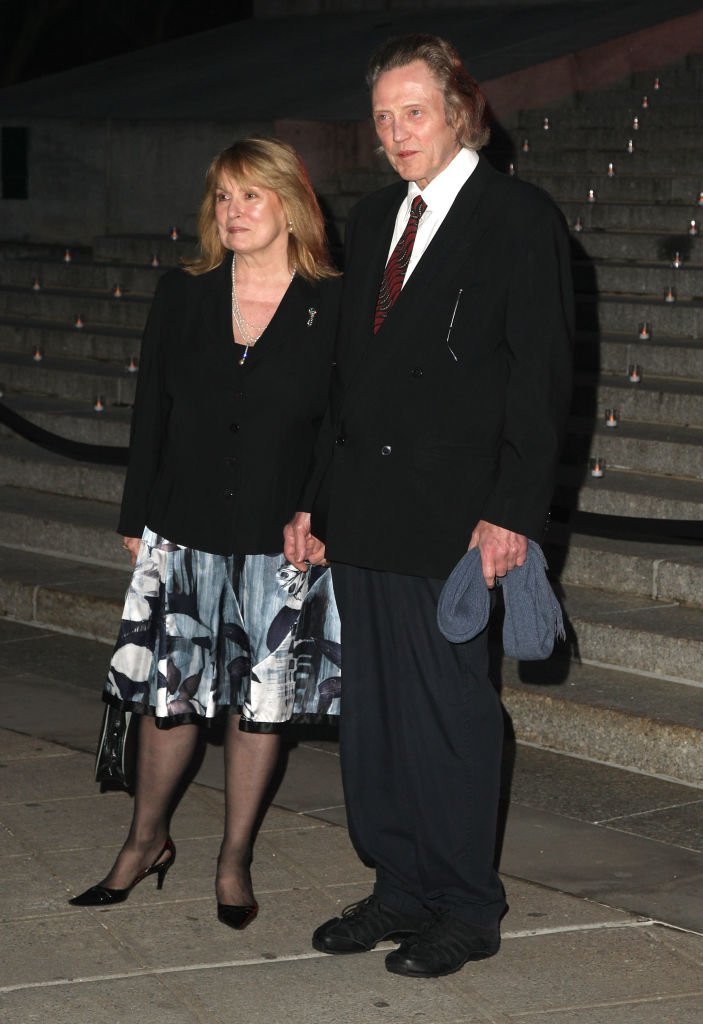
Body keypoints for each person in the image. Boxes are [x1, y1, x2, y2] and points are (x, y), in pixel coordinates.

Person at [285, 34, 573, 977]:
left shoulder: (518, 219)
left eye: (413, 111)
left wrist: (512, 512)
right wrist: (311, 504)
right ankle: (399, 884)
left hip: (456, 521)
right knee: (372, 715)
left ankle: (464, 903)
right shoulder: (371, 220)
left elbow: (541, 383)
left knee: (450, 714)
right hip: (365, 511)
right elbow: (340, 379)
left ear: (458, 111)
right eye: (381, 117)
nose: (396, 131)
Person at [69, 137, 341, 930]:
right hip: (183, 525)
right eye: (223, 197)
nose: (233, 212)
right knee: (169, 701)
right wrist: (135, 518)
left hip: (278, 532)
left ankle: (233, 860)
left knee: (258, 708)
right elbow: (151, 405)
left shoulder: (333, 302)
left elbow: (341, 424)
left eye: (250, 196)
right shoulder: (183, 294)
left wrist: (318, 510)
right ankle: (142, 842)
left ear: (290, 203)